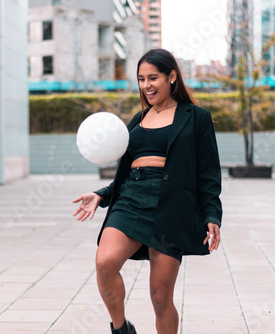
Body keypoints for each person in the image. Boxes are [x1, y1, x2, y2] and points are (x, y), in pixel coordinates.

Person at [72, 49, 222, 334]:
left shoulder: (196, 118)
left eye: (153, 77)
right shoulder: (136, 121)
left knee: (160, 297)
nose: (146, 85)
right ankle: (121, 328)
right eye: (141, 79)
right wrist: (102, 195)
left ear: (172, 76)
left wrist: (213, 214)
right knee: (105, 262)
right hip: (130, 200)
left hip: (172, 206)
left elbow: (209, 174)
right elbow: (126, 171)